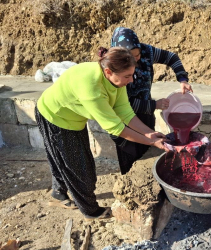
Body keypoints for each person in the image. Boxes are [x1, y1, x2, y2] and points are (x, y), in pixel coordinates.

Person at [35, 47, 167, 220]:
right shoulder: (92, 88)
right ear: (108, 71)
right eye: (127, 76)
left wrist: (150, 133)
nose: (131, 79)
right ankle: (90, 211)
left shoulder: (115, 80)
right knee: (81, 169)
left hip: (73, 118)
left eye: (132, 74)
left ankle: (58, 194)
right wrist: (150, 142)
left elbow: (125, 112)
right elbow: (116, 128)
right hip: (55, 117)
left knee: (64, 158)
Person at [110, 27, 193, 174]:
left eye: (138, 54)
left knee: (147, 154)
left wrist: (182, 79)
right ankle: (130, 187)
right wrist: (155, 104)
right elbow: (124, 105)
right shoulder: (115, 69)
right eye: (132, 56)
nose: (137, 59)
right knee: (131, 157)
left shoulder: (147, 52)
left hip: (145, 114)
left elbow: (172, 58)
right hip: (124, 121)